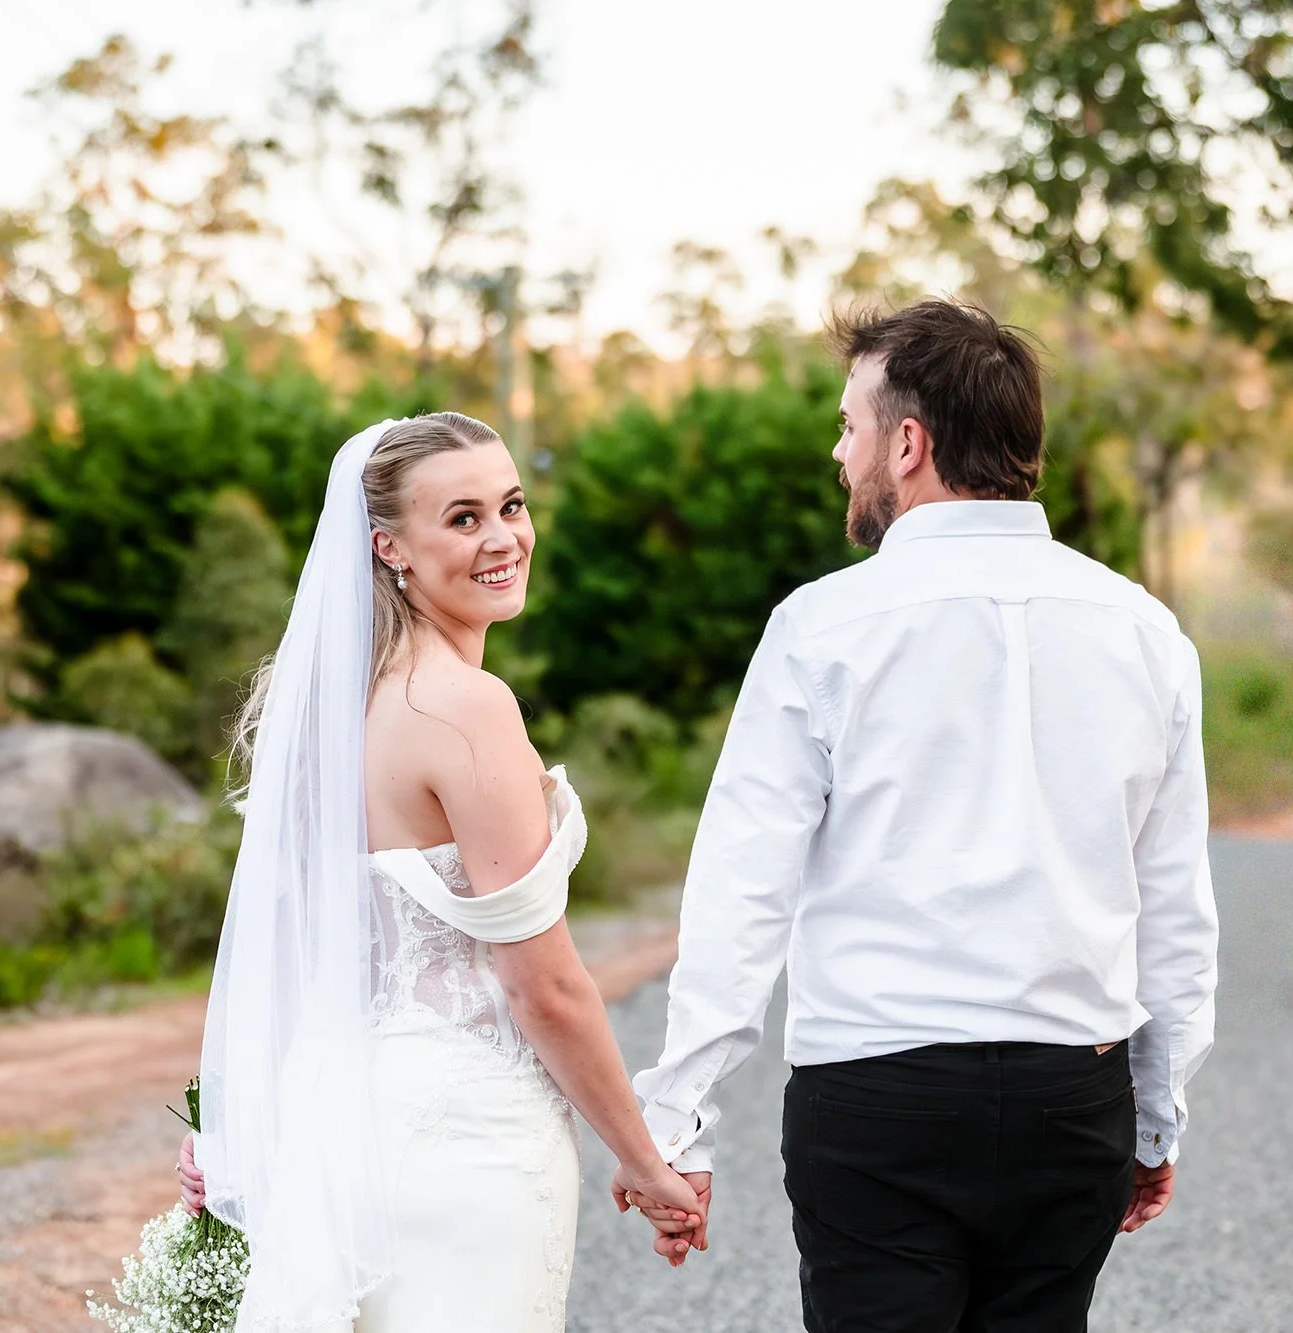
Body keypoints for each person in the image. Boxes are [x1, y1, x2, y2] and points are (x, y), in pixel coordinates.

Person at [618, 299, 1220, 1332]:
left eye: (851, 424)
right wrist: (1153, 1118)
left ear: (908, 444)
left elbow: (741, 890)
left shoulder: (819, 629)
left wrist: (677, 1121)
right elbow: (1171, 904)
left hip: (875, 1097)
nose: (838, 448)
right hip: (1070, 1100)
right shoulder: (1144, 631)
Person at [175, 412, 702, 1332]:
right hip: (466, 1140)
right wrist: (646, 1159)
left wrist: (238, 1130)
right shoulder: (467, 707)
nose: (502, 537)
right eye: (462, 518)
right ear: (389, 546)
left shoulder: (332, 717)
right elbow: (545, 988)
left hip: (334, 1124)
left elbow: (292, 948)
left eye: (511, 504)